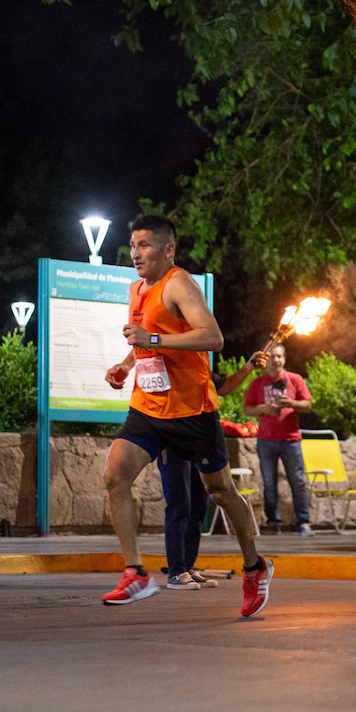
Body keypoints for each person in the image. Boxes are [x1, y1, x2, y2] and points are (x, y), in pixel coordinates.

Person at [100, 214, 273, 616]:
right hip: (149, 406)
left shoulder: (180, 283)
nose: (135, 253)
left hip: (193, 410)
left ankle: (254, 566)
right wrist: (127, 364)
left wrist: (154, 339)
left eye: (144, 245)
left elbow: (213, 337)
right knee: (114, 475)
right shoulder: (136, 289)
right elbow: (144, 339)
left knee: (219, 493)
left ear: (168, 249)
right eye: (132, 245)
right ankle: (136, 573)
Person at [157, 357, 259, 590]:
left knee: (198, 507)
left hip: (198, 441)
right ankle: (176, 571)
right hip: (171, 442)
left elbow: (224, 387)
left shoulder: (198, 364)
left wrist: (249, 366)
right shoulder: (166, 362)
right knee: (179, 504)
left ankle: (188, 567)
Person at [243, 343, 315, 535]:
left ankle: (303, 522)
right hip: (266, 440)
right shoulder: (257, 384)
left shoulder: (295, 379)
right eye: (272, 357)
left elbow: (308, 405)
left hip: (291, 439)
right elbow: (247, 409)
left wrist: (291, 403)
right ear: (266, 361)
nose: (276, 360)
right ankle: (273, 522)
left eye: (279, 357)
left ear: (284, 359)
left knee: (297, 481)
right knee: (269, 483)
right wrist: (263, 409)